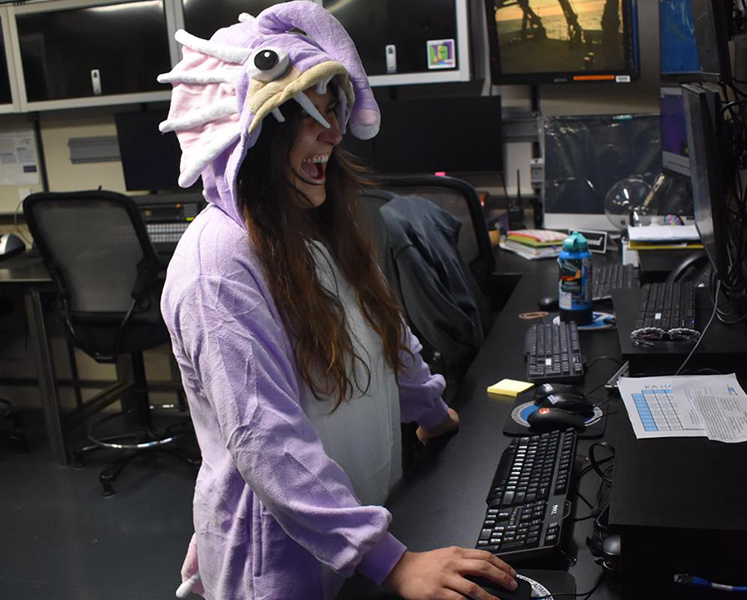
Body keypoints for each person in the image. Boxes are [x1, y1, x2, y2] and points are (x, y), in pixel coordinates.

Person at [157, 2, 519, 599]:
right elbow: (265, 440)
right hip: (283, 557)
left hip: (360, 520)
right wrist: (393, 562)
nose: (331, 132)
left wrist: (430, 411)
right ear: (253, 132)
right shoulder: (217, 265)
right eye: (304, 115)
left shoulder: (313, 221)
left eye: (332, 111)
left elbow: (381, 332)